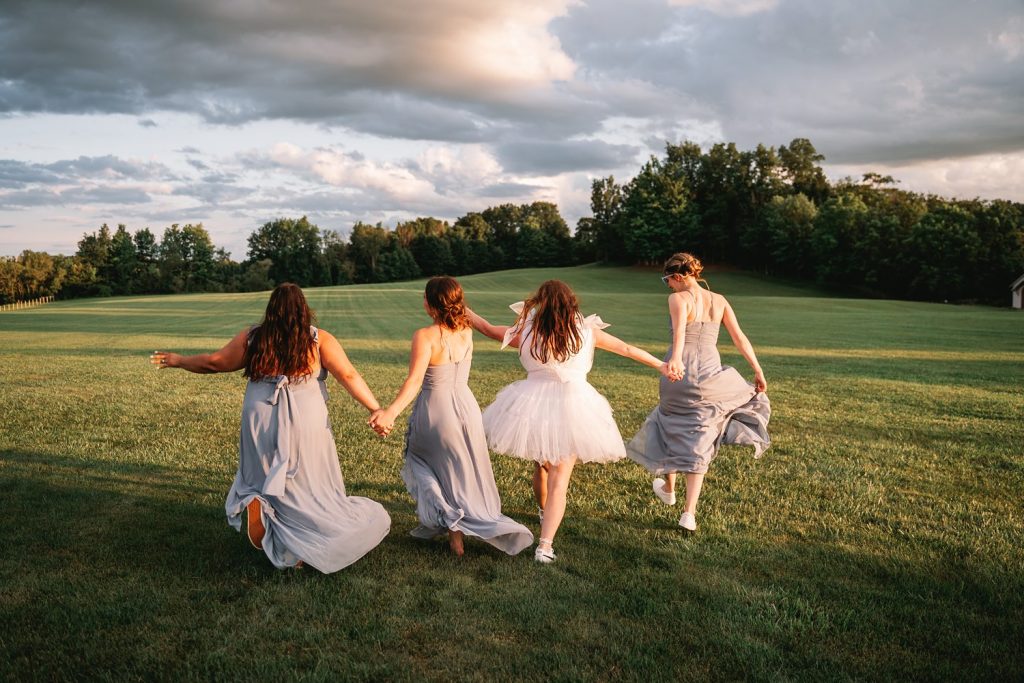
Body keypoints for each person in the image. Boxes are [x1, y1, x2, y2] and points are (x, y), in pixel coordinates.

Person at [150, 282, 391, 572]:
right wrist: (375, 408)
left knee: (263, 471)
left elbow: (214, 363)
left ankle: (259, 501)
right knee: (307, 480)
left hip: (260, 415)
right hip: (305, 418)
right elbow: (348, 375)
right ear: (304, 310)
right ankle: (300, 540)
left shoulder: (253, 338)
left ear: (271, 309)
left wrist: (179, 360)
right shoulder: (318, 340)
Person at [469, 279, 671, 563]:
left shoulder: (527, 331)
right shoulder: (587, 331)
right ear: (571, 303)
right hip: (576, 406)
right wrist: (661, 365)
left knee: (541, 465)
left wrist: (462, 310)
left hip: (532, 404)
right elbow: (626, 349)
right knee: (559, 480)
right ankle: (545, 546)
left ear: (541, 302)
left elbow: (488, 329)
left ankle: (543, 513)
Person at [369, 277, 534, 557]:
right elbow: (476, 323)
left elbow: (414, 381)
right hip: (466, 408)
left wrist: (391, 412)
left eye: (425, 297)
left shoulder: (425, 335)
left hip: (437, 409)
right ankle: (454, 533)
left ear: (431, 303)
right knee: (458, 471)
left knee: (422, 462)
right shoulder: (466, 330)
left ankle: (452, 528)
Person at [626, 252, 771, 532]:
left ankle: (669, 486)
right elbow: (740, 338)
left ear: (678, 276)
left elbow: (679, 333)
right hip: (711, 374)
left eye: (666, 280)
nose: (667, 286)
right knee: (701, 434)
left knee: (668, 423)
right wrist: (757, 369)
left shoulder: (678, 299)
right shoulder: (720, 300)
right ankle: (688, 513)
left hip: (680, 371)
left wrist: (676, 361)